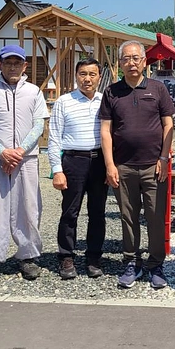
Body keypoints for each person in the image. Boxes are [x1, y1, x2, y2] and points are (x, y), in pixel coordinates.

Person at [0, 45, 49, 289]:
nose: (13, 67)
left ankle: (28, 256)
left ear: (25, 66)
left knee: (28, 208)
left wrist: (18, 152)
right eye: (8, 63)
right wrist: (2, 151)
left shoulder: (34, 91)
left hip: (26, 160)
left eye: (18, 62)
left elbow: (39, 126)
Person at [100, 40, 175, 290]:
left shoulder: (158, 89)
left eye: (135, 58)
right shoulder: (112, 92)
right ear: (120, 63)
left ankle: (156, 264)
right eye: (126, 59)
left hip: (154, 166)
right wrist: (110, 165)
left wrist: (163, 158)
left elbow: (168, 125)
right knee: (128, 217)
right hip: (123, 166)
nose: (131, 63)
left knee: (155, 216)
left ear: (144, 61)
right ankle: (132, 261)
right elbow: (106, 131)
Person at [48, 58, 107, 280]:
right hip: (73, 161)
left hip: (100, 160)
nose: (87, 79)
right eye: (83, 74)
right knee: (70, 211)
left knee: (97, 212)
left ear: (99, 77)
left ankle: (94, 256)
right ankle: (66, 256)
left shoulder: (106, 100)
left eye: (92, 74)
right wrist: (57, 169)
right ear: (76, 76)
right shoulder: (64, 101)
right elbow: (54, 138)